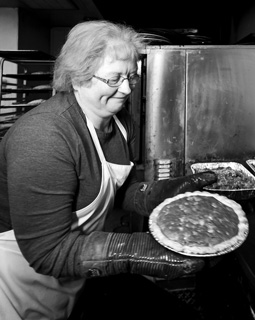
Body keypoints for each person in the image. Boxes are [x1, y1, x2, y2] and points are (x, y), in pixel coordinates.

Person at [0, 20, 217, 320]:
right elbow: (48, 253)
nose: (127, 89)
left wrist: (154, 195)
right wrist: (135, 251)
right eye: (114, 78)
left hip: (77, 277)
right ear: (78, 79)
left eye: (131, 77)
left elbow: (117, 189)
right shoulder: (44, 137)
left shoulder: (120, 121)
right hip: (19, 291)